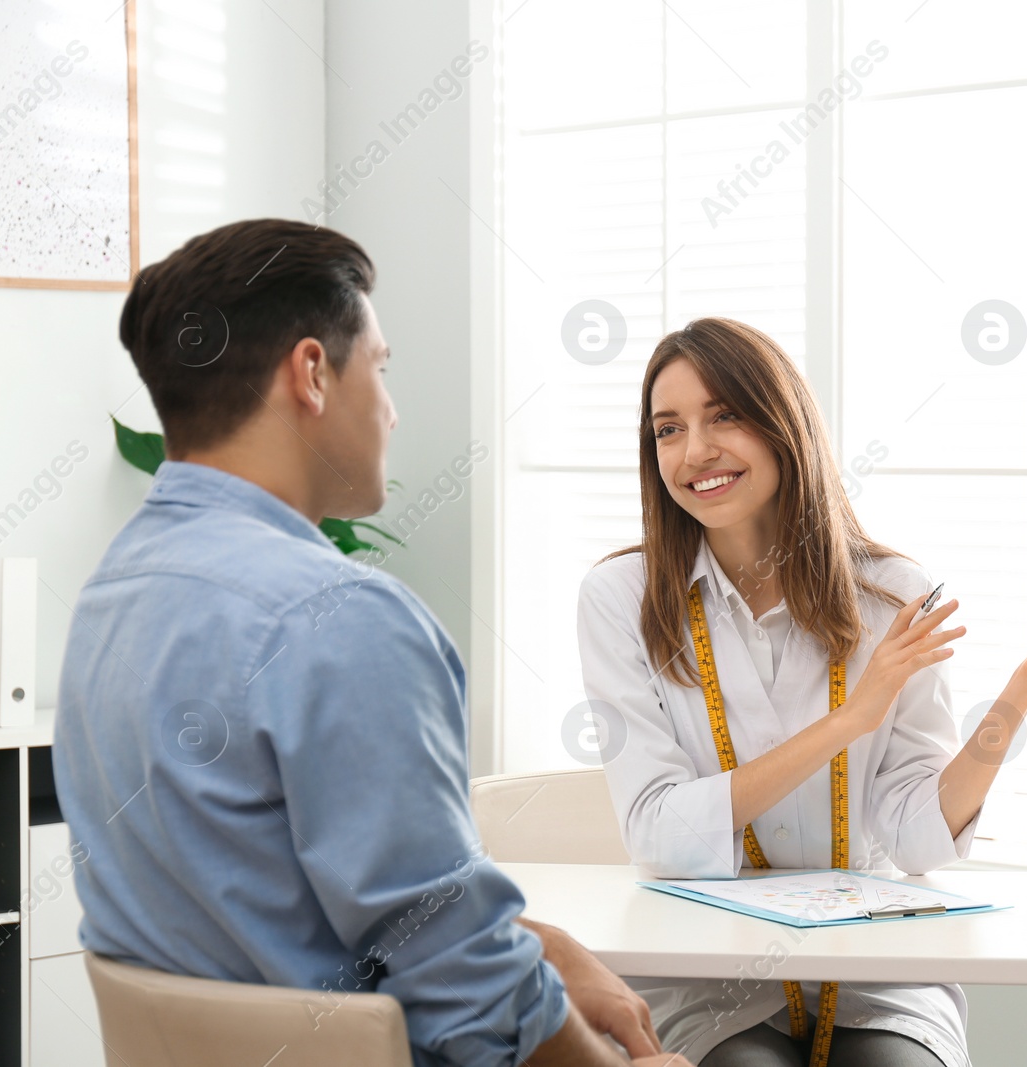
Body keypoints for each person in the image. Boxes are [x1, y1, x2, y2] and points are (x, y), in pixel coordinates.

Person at [52, 218, 688, 1067]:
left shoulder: (114, 592)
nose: (389, 407)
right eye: (381, 368)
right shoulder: (339, 615)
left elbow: (264, 906)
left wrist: (545, 947)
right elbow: (461, 981)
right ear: (312, 372)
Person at [576, 318, 1027, 1067]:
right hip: (713, 978)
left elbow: (919, 834)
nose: (695, 451)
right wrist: (850, 719)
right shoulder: (620, 598)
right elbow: (659, 836)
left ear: (785, 425)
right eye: (668, 428)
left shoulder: (893, 596)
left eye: (724, 414)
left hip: (875, 973)